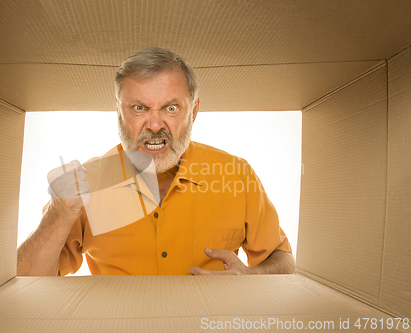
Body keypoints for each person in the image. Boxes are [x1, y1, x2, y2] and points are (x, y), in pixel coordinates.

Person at [17, 47, 295, 276]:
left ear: (194, 111)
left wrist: (253, 276)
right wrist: (58, 214)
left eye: (170, 108)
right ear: (118, 110)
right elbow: (25, 283)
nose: (154, 124)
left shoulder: (237, 175)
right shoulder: (85, 184)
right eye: (139, 108)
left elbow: (282, 259)